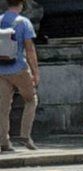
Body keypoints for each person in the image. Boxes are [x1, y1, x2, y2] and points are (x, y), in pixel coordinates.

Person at [0, 0, 39, 152]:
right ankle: (25, 135)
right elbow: (29, 50)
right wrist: (35, 72)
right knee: (31, 100)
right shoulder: (24, 22)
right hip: (19, 68)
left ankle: (4, 142)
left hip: (1, 70)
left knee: (3, 107)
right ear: (21, 5)